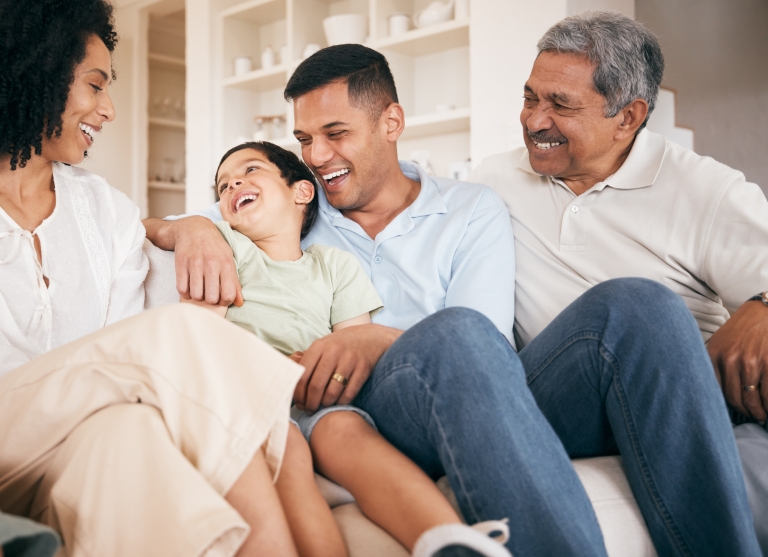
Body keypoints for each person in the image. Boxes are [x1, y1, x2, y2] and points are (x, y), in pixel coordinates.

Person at [145, 42, 760, 556]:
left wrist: (372, 338)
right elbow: (206, 211)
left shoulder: (472, 206)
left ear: (391, 123)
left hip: (465, 380)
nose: (317, 158)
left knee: (641, 306)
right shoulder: (296, 204)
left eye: (335, 134)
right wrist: (192, 228)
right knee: (456, 332)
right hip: (365, 411)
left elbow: (487, 346)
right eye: (305, 139)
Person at [0, 2, 311, 556]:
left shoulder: (106, 212)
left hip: (70, 448)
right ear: (35, 72)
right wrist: (188, 224)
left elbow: (124, 375)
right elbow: (134, 355)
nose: (109, 109)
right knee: (180, 335)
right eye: (95, 86)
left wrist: (192, 227)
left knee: (129, 434)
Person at [467, 11, 768, 554]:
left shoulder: (707, 190)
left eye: (560, 105)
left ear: (628, 117)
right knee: (635, 306)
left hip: (676, 397)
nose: (534, 120)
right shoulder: (491, 181)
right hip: (552, 396)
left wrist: (766, 302)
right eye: (530, 97)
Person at [188, 139, 512, 557]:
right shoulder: (226, 251)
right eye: (223, 186)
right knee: (286, 453)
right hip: (256, 400)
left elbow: (353, 348)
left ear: (302, 192)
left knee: (349, 432)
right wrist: (194, 228)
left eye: (249, 171)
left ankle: (450, 539)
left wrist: (326, 377)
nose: (233, 186)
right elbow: (198, 341)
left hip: (320, 399)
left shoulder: (334, 265)